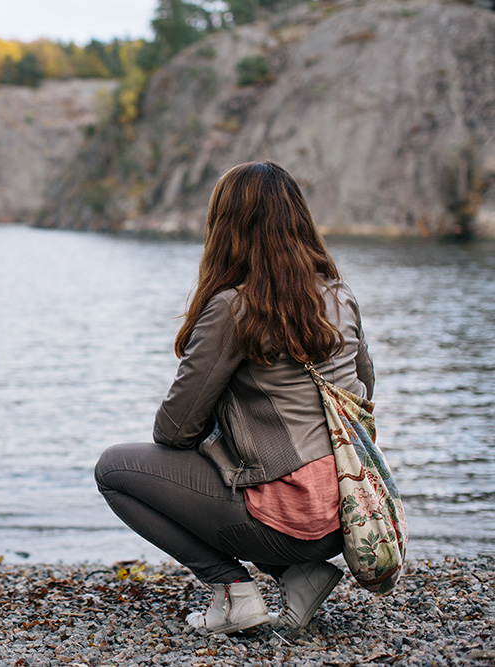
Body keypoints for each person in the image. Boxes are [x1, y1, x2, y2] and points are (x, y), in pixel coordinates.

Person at [95, 161, 375, 634]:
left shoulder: (234, 307)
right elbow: (365, 389)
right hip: (350, 511)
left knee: (115, 470)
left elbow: (174, 430)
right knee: (239, 465)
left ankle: (233, 591)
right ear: (299, 220)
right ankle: (298, 576)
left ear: (226, 228)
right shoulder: (340, 296)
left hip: (289, 519)